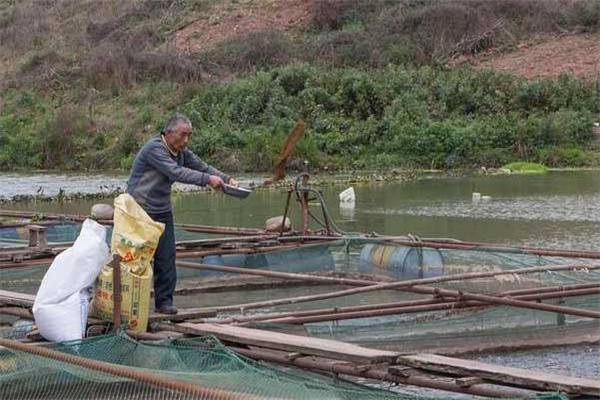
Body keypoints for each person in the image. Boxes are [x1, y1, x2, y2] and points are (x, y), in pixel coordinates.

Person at [127, 114, 238, 315]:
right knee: (135, 259)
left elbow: (201, 166)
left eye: (189, 135)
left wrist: (226, 178)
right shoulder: (155, 149)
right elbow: (176, 172)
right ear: (168, 133)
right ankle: (131, 305)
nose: (186, 140)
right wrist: (207, 180)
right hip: (140, 209)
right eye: (182, 135)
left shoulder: (180, 151)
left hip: (162, 209)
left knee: (166, 256)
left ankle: (164, 303)